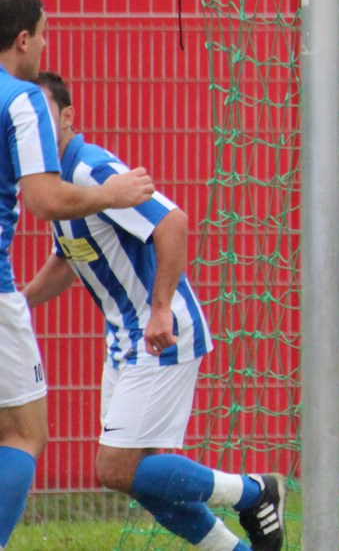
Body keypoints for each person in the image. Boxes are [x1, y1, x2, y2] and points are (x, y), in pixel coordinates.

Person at [22, 72, 285, 551]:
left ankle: (255, 491)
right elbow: (69, 258)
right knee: (138, 479)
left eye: (46, 115)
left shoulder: (91, 170)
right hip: (124, 340)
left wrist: (160, 308)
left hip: (160, 332)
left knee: (114, 468)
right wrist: (19, 304)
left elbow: (173, 222)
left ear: (66, 118)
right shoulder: (54, 182)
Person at [0, 0, 156, 550]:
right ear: (23, 40)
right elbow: (44, 200)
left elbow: (68, 257)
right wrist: (112, 195)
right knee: (24, 433)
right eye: (43, 35)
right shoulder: (21, 100)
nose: (45, 45)